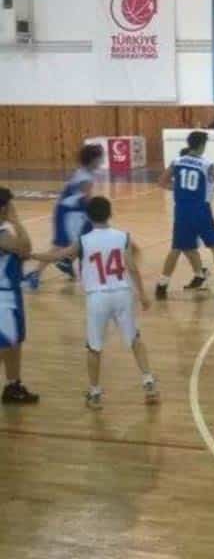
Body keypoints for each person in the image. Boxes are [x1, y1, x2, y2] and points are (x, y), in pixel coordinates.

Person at [32, 197, 158, 409]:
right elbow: (132, 268)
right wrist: (143, 295)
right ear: (110, 213)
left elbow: (57, 256)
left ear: (88, 217)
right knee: (135, 339)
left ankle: (95, 394)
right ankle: (149, 384)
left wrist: (31, 255)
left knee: (94, 347)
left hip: (97, 297)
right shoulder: (123, 237)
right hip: (122, 294)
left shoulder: (83, 241)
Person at [155, 131, 214, 299]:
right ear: (202, 145)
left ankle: (161, 286)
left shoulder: (177, 161)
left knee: (176, 249)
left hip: (181, 211)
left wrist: (179, 189)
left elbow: (161, 182)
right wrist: (211, 189)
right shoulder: (206, 164)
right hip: (201, 210)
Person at [24, 144, 103, 289]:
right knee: (59, 246)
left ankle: (66, 261)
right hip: (68, 213)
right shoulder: (85, 177)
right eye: (100, 158)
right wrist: (99, 214)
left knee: (84, 239)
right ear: (93, 160)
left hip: (76, 212)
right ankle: (35, 273)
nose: (102, 160)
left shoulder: (85, 172)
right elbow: (87, 200)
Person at [0, 188, 39, 404]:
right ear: (4, 207)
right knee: (6, 344)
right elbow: (25, 248)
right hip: (3, 298)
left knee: (13, 342)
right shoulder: (3, 235)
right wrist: (17, 222)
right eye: (11, 205)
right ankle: (12, 385)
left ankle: (13, 385)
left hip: (10, 295)